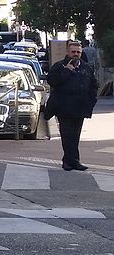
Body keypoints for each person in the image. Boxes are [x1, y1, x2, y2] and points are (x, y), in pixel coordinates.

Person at [45, 40, 97, 171]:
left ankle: (71, 160)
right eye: (73, 52)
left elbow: (93, 86)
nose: (76, 54)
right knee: (67, 136)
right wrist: (66, 71)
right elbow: (52, 81)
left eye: (78, 52)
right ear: (68, 52)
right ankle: (71, 161)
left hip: (80, 107)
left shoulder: (86, 67)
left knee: (75, 135)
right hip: (64, 108)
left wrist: (91, 101)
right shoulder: (59, 66)